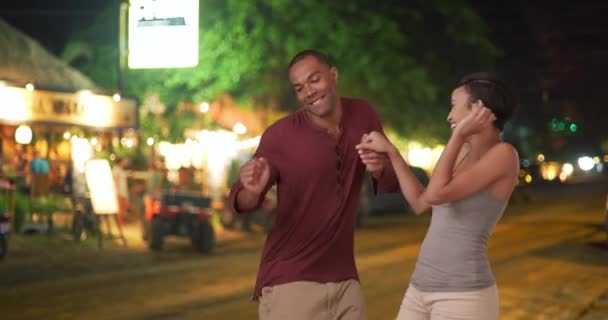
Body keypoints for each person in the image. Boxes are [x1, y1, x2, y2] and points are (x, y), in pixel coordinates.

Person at [229, 49, 398, 320]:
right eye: (299, 87)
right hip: (291, 280)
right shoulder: (280, 135)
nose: (308, 91)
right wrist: (252, 189)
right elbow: (242, 203)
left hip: (345, 279)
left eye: (314, 80)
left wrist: (380, 169)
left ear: (333, 76)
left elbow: (389, 183)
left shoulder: (363, 114)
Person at [356, 72, 519, 320]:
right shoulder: (462, 150)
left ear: (477, 108)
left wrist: (459, 134)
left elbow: (436, 194)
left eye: (454, 106)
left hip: (464, 295)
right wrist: (391, 152)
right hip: (420, 287)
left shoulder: (504, 155)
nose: (449, 116)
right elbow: (421, 203)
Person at [112, 157, 130, 224]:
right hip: (120, 192)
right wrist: (117, 192)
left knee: (123, 207)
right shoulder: (116, 170)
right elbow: (116, 181)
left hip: (122, 192)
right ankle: (120, 222)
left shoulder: (120, 170)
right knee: (120, 208)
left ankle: (121, 221)